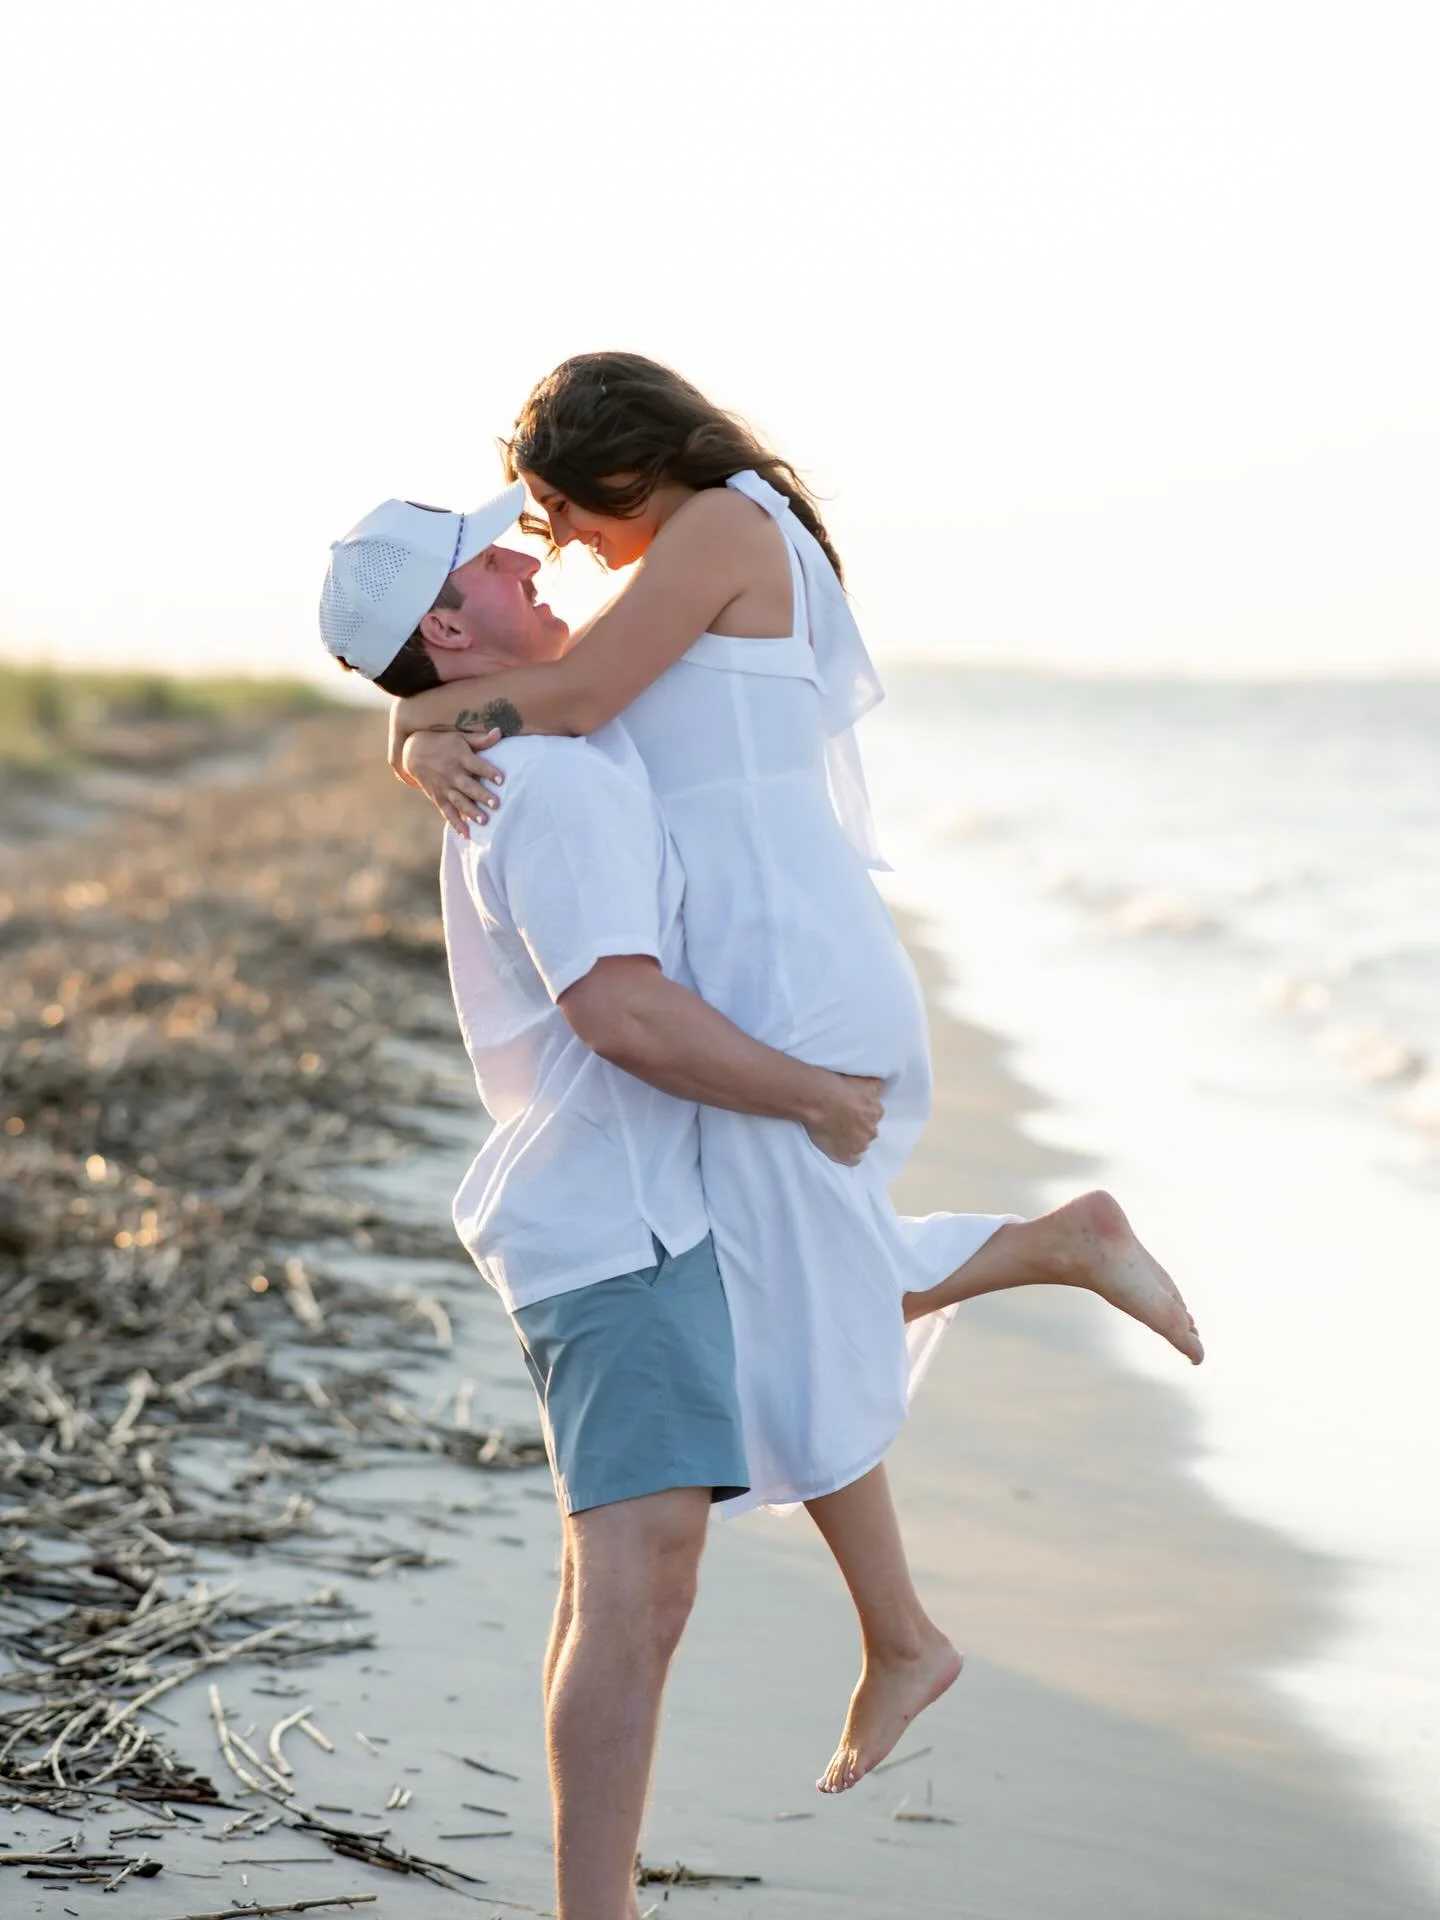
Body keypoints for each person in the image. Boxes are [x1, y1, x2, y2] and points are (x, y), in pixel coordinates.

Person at [387, 354, 1204, 1801]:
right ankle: (1022, 1319)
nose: (565, 545)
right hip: (768, 954)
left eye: (572, 514)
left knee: (784, 1285)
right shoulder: (713, 529)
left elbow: (572, 693)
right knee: (780, 1285)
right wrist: (429, 719)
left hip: (781, 961)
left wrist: (421, 721)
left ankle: (915, 1600)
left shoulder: (720, 521)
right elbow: (568, 695)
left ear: (634, 460)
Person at [319, 485, 886, 1920]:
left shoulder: (532, 742)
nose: (533, 554)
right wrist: (810, 1092)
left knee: (625, 1584)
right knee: (636, 1592)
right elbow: (623, 1014)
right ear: (450, 621)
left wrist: (421, 721)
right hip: (614, 1227)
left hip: (615, 1215)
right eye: (495, 559)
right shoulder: (552, 778)